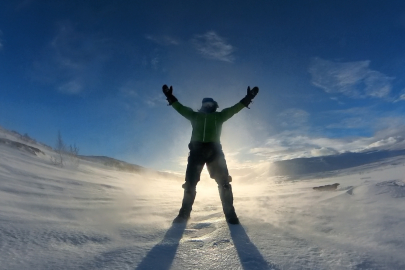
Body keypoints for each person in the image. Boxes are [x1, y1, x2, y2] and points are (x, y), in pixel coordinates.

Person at [162, 84, 259, 224]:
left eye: (210, 104)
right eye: (205, 104)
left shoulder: (219, 116)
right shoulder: (194, 115)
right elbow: (180, 108)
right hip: (196, 152)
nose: (207, 106)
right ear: (202, 105)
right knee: (190, 183)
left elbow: (235, 109)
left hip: (215, 152)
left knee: (224, 183)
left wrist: (249, 97)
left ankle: (231, 215)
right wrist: (170, 96)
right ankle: (184, 215)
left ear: (213, 105)